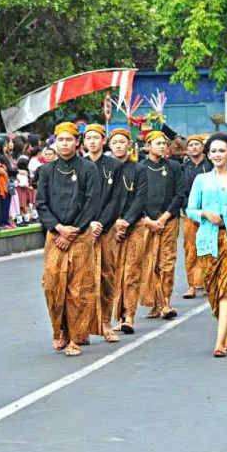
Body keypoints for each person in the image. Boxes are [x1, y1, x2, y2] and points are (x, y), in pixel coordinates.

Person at [186, 133, 227, 357]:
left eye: (221, 151)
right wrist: (205, 213)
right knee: (214, 290)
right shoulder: (201, 180)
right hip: (207, 241)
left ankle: (221, 340)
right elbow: (190, 210)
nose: (217, 154)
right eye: (213, 151)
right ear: (208, 154)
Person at [36, 122, 101, 357]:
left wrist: (74, 230)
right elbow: (41, 204)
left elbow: (93, 201)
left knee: (79, 289)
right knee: (52, 285)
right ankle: (60, 330)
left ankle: (76, 337)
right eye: (60, 140)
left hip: (81, 236)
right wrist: (58, 228)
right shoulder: (46, 171)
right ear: (54, 142)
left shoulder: (88, 169)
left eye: (69, 140)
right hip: (55, 236)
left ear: (77, 142)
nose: (64, 144)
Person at [139, 131, 186, 320]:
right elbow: (136, 196)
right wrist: (147, 220)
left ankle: (166, 302)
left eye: (164, 144)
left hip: (168, 220)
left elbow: (179, 194)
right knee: (150, 263)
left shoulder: (174, 167)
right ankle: (155, 303)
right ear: (148, 146)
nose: (162, 146)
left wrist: (164, 218)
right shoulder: (139, 168)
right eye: (157, 143)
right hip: (146, 221)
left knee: (167, 262)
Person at [83, 124, 123, 343]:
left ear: (103, 140)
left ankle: (106, 322)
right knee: (84, 278)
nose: (92, 142)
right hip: (84, 228)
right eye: (88, 138)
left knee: (107, 276)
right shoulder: (79, 165)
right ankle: (83, 325)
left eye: (96, 138)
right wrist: (88, 223)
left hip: (106, 229)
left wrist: (101, 223)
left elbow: (116, 199)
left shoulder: (114, 166)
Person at [107, 128, 148, 335]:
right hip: (110, 227)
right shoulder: (104, 169)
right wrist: (114, 222)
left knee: (132, 271)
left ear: (129, 144)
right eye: (114, 142)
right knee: (113, 272)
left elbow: (140, 198)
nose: (118, 146)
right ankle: (116, 316)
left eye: (122, 142)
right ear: (110, 145)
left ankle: (129, 315)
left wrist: (126, 221)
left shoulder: (139, 169)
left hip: (135, 226)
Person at [180, 134, 212, 299]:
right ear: (187, 149)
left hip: (210, 214)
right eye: (191, 145)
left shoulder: (211, 166)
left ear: (202, 148)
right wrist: (187, 208)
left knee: (209, 248)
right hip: (190, 214)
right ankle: (192, 285)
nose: (194, 147)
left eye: (197, 144)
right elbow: (180, 191)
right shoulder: (184, 168)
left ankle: (208, 282)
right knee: (191, 250)